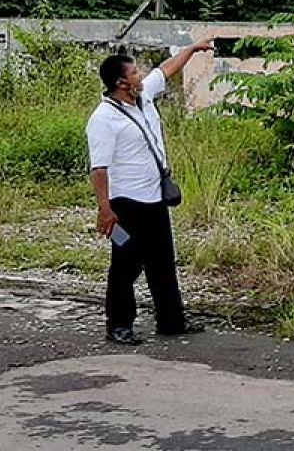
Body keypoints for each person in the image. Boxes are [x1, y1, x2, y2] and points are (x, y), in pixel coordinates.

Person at [86, 39, 214, 345]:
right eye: (134, 73)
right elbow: (99, 169)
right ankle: (119, 325)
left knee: (162, 261)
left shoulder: (142, 99)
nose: (141, 75)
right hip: (124, 205)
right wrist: (105, 211)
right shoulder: (104, 119)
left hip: (154, 199)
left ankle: (171, 320)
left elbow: (165, 70)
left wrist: (193, 48)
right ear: (121, 83)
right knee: (125, 265)